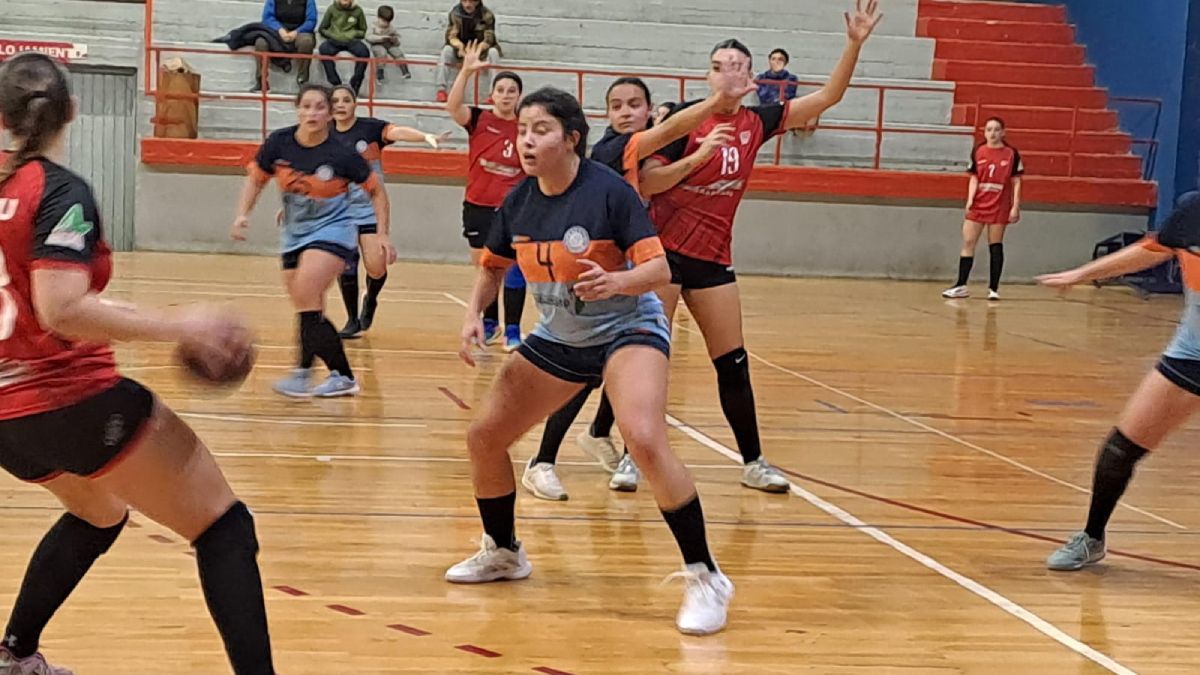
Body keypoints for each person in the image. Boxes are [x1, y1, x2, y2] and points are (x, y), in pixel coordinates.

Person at [0, 52, 275, 675]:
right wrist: (184, 324)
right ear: (74, 111)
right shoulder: (60, 192)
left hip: (7, 419)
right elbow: (61, 309)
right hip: (70, 403)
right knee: (225, 528)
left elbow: (44, 294)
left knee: (97, 512)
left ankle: (14, 654)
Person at [445, 86, 735, 636]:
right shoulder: (519, 200)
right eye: (523, 130)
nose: (527, 141)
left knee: (643, 437)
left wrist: (616, 280)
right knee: (484, 437)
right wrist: (471, 317)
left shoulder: (607, 193)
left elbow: (657, 270)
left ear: (571, 138)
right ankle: (504, 552)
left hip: (629, 326)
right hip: (561, 336)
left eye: (541, 130)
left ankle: (706, 575)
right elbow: (491, 266)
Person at [627, 1, 883, 494]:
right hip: (662, 256)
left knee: (733, 363)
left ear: (752, 76)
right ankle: (629, 454)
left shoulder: (758, 122)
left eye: (740, 67)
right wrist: (698, 155)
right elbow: (651, 183)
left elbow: (827, 97)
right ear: (708, 75)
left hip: (713, 258)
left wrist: (854, 44)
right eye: (721, 67)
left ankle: (753, 461)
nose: (730, 75)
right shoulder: (683, 120)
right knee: (645, 356)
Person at [520, 73, 756, 501]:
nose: (626, 112)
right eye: (616, 105)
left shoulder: (642, 154)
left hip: (626, 279)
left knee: (621, 365)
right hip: (592, 276)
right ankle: (542, 461)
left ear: (649, 109)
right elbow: (674, 129)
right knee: (584, 373)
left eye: (635, 104)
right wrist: (718, 102)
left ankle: (599, 439)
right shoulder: (613, 149)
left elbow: (665, 154)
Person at [1039, 192, 1200, 571]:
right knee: (1120, 449)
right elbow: (1152, 250)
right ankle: (1092, 538)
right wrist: (1081, 274)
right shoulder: (1193, 211)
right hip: (1190, 354)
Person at [231, 84, 391, 398]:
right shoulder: (279, 143)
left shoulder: (343, 154)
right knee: (308, 306)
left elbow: (376, 191)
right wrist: (242, 215)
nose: (312, 113)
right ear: (297, 109)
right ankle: (308, 372)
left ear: (330, 114)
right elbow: (257, 179)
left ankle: (338, 375)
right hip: (293, 234)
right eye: (306, 106)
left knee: (306, 292)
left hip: (334, 230)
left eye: (320, 107)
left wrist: (382, 233)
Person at [330, 85, 449, 338]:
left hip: (370, 209)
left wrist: (425, 136)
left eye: (346, 100)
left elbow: (397, 131)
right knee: (346, 265)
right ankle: (352, 320)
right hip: (339, 212)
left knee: (376, 267)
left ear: (355, 104)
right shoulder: (323, 135)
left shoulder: (370, 129)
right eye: (335, 101)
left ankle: (371, 298)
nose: (340, 105)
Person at [444, 41, 526, 348]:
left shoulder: (526, 126)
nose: (506, 95)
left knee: (515, 267)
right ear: (493, 94)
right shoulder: (479, 119)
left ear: (519, 96)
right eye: (501, 90)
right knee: (486, 268)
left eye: (511, 91)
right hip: (478, 205)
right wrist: (465, 71)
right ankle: (490, 323)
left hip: (514, 209)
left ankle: (514, 332)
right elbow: (453, 108)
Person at [942, 117, 1024, 301]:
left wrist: (1015, 206)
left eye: (996, 129)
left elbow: (1016, 181)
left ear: (1003, 132)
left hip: (999, 204)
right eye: (989, 129)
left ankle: (993, 288)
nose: (992, 133)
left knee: (995, 244)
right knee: (968, 241)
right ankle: (961, 285)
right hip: (979, 203)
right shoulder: (978, 151)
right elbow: (974, 177)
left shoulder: (1011, 154)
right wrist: (970, 199)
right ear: (984, 132)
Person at [434, 0, 501, 103]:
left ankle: (494, 93)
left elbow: (489, 39)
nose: (467, 5)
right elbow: (451, 36)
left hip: (481, 51)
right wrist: (460, 46)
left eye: (471, 1)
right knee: (446, 51)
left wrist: (475, 51)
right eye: (464, 1)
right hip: (461, 50)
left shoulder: (487, 15)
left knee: (494, 53)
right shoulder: (455, 13)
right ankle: (441, 90)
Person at [253, 0, 318, 91]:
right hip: (277, 32)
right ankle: (261, 80)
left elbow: (311, 20)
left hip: (300, 32)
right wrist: (280, 30)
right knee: (260, 43)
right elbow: (267, 18)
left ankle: (302, 79)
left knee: (306, 42)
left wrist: (296, 32)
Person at [317, 0, 370, 97]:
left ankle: (355, 83)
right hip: (334, 40)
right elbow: (322, 29)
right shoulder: (332, 9)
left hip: (351, 41)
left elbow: (363, 30)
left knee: (364, 52)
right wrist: (332, 34)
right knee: (323, 49)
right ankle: (335, 83)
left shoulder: (358, 11)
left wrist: (354, 34)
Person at [368, 5, 411, 83]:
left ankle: (405, 70)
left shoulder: (391, 28)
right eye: (384, 21)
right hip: (377, 44)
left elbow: (398, 43)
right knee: (382, 53)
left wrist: (394, 40)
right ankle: (380, 74)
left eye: (388, 22)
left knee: (397, 52)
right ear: (378, 17)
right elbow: (368, 37)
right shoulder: (373, 26)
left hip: (389, 44)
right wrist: (380, 38)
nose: (386, 24)